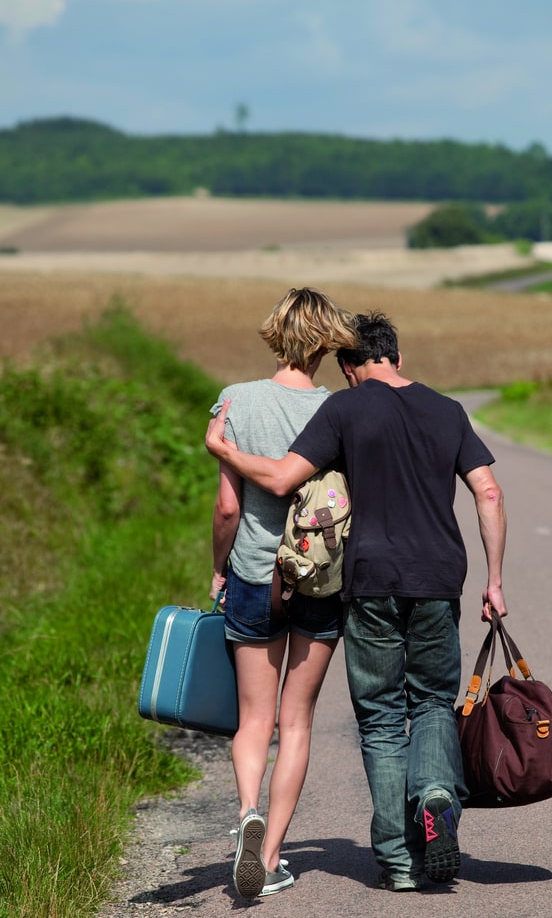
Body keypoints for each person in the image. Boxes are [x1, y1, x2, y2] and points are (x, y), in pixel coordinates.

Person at [205, 310, 507, 893]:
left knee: (382, 719)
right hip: (440, 579)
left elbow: (278, 479)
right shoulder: (448, 410)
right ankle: (439, 792)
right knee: (433, 703)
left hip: (368, 581)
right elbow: (488, 491)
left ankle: (397, 861)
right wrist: (494, 581)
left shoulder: (344, 407)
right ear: (399, 357)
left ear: (349, 367)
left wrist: (222, 447)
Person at [208, 287, 358, 899]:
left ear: (276, 336)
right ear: (327, 343)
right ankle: (270, 859)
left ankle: (248, 813)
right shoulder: (342, 410)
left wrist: (219, 567)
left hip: (250, 573)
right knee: (296, 721)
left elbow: (226, 507)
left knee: (254, 719)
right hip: (319, 577)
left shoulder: (236, 400)